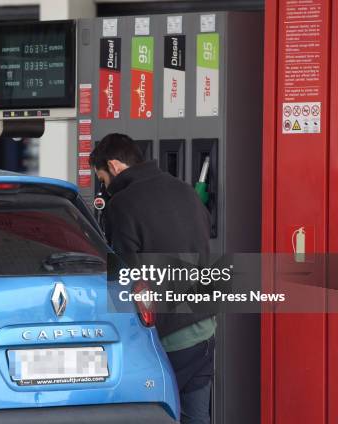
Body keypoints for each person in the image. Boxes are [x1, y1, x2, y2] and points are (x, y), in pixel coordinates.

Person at [89, 133, 216, 424]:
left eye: (103, 180)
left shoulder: (122, 205)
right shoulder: (184, 190)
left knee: (152, 413)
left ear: (115, 166)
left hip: (165, 335)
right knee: (195, 416)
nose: (105, 189)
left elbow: (122, 278)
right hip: (203, 326)